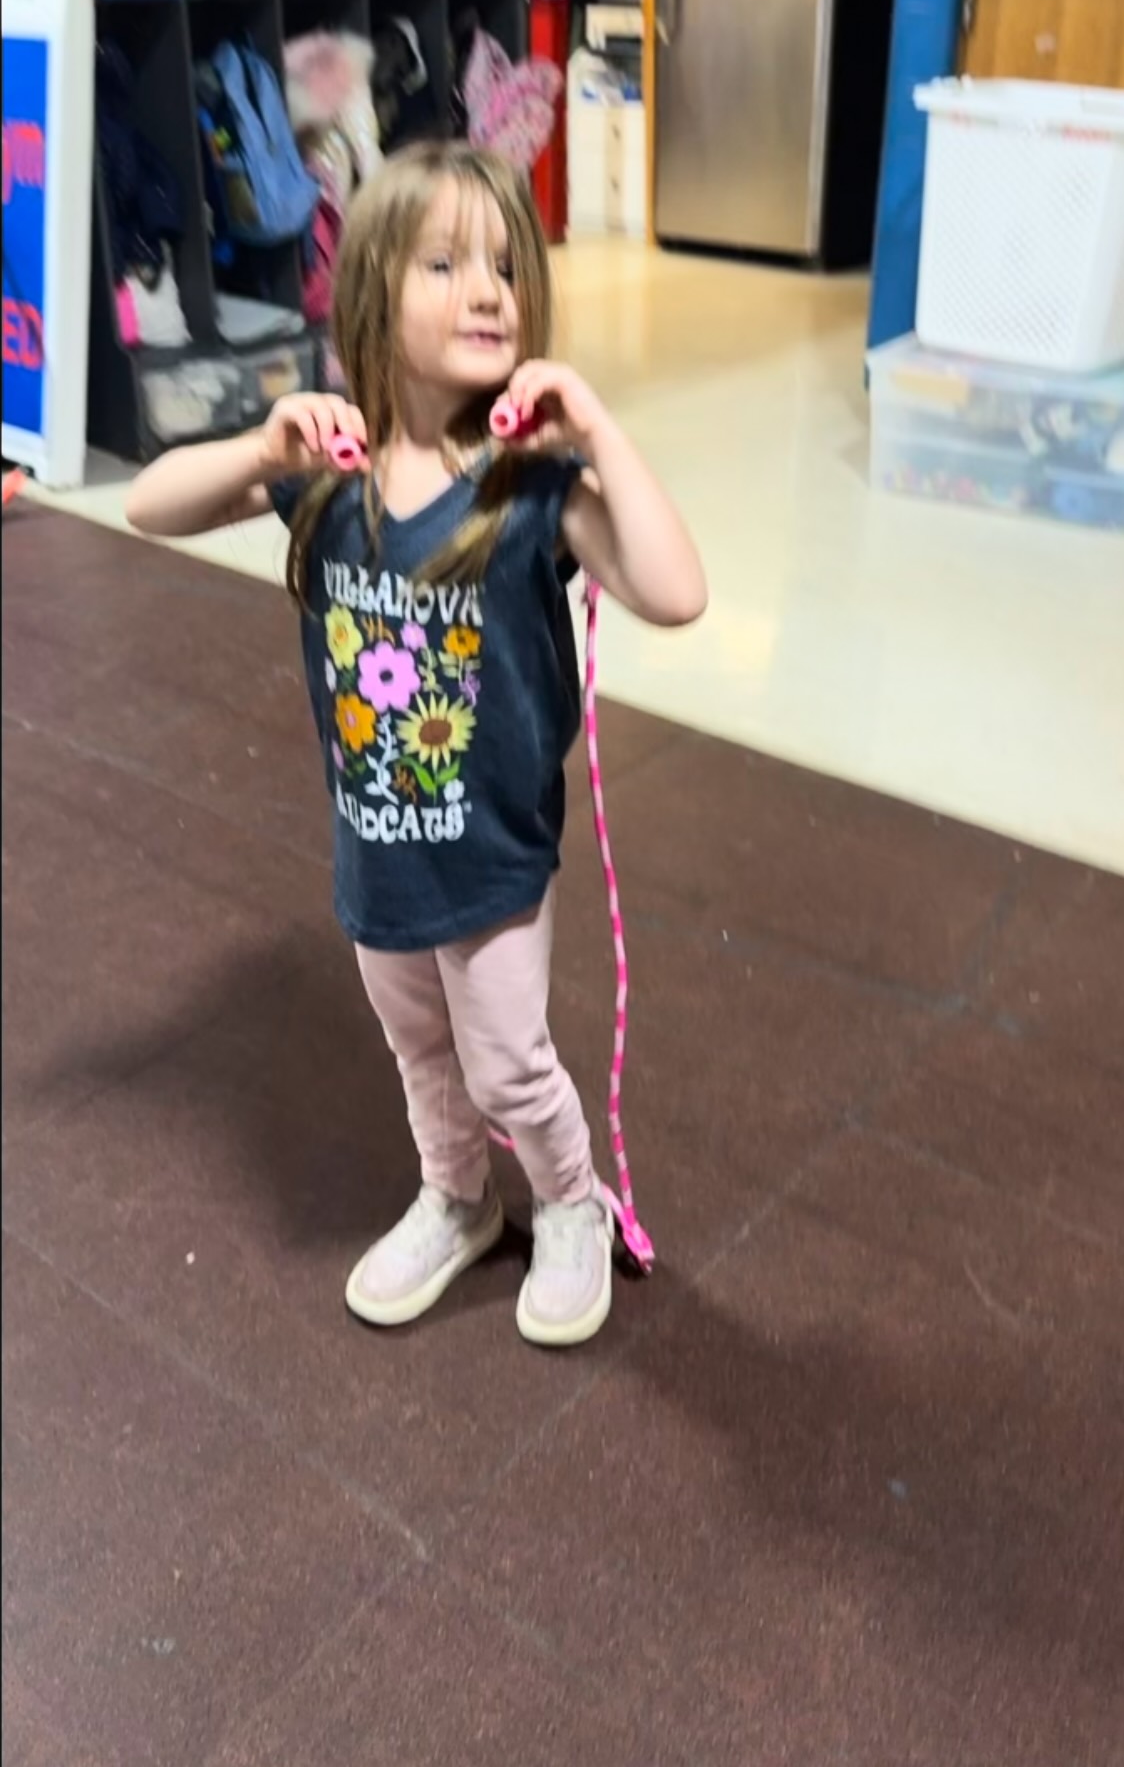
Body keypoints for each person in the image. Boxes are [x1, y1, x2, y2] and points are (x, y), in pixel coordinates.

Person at [126, 143, 706, 1349]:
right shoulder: (324, 477)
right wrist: (258, 447)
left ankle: (567, 1202)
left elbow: (675, 588)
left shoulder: (525, 488)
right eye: (446, 263)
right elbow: (150, 504)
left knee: (508, 1066)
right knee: (419, 1050)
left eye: (505, 265)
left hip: (492, 862)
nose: (489, 288)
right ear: (374, 288)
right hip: (377, 856)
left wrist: (592, 424)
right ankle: (459, 1197)